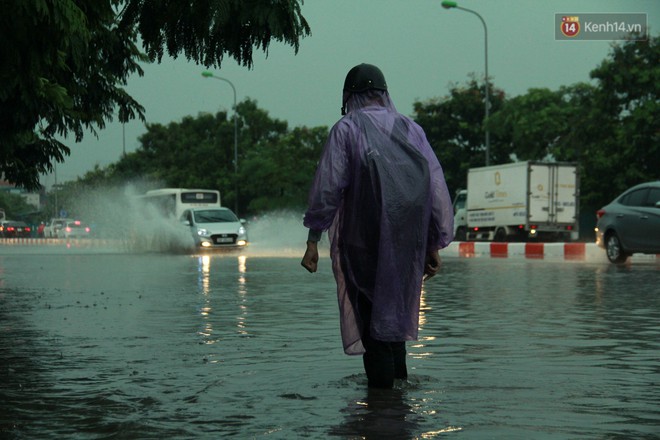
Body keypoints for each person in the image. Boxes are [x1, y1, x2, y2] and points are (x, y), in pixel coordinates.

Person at [301, 63, 454, 389]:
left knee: (373, 327)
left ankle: (381, 412)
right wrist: (432, 243)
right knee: (394, 323)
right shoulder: (411, 129)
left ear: (349, 96)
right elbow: (434, 187)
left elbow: (328, 189)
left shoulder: (347, 129)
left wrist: (313, 240)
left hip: (363, 245)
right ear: (384, 93)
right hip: (406, 246)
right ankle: (400, 405)